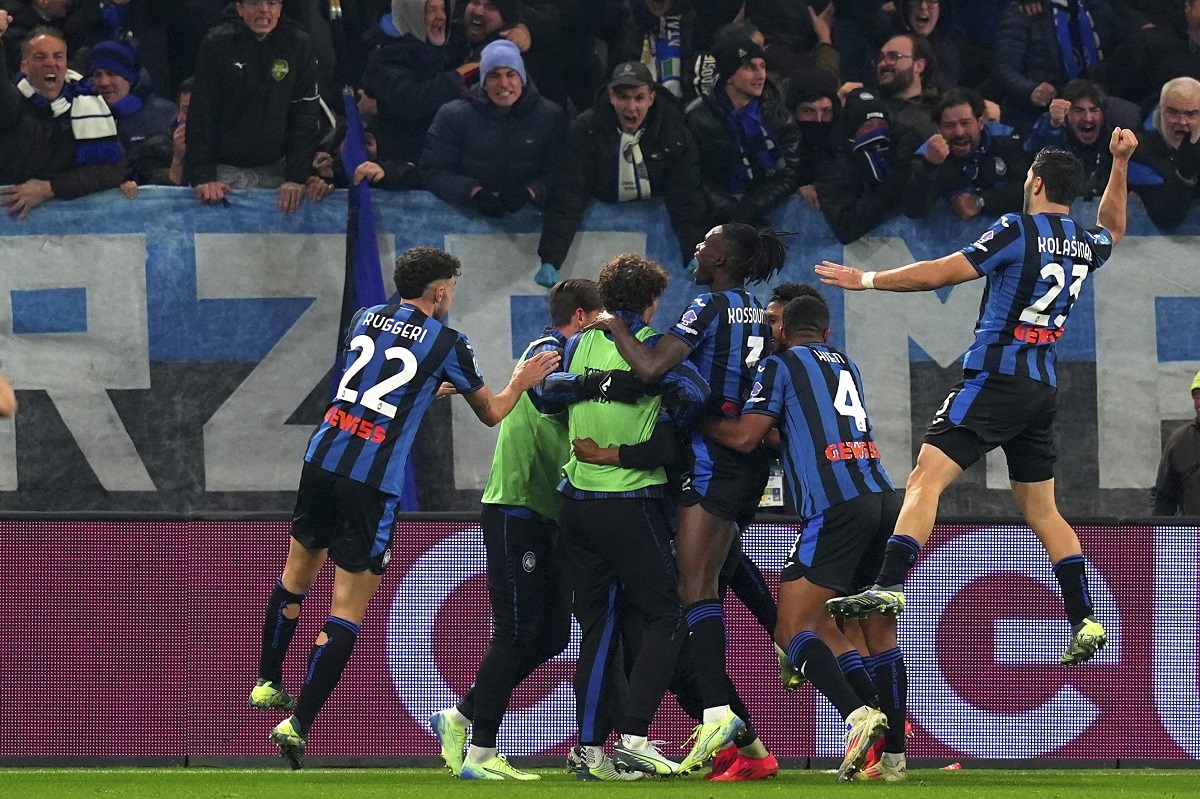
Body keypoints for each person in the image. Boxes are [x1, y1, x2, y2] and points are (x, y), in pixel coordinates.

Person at [814, 131, 1139, 669]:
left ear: (1033, 181)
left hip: (995, 379)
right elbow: (1115, 228)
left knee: (926, 477)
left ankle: (890, 585)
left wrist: (866, 279)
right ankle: (1083, 617)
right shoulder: (1084, 242)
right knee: (1042, 508)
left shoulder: (1016, 229)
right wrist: (1121, 162)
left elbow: (942, 273)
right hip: (1041, 389)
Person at [248, 246, 561, 770]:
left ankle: (266, 680)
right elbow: (492, 413)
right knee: (347, 607)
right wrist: (520, 382)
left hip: (322, 456)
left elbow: (377, 376)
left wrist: (423, 389)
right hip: (370, 481)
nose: (452, 298)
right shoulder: (448, 342)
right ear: (439, 292)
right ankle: (298, 722)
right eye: (452, 290)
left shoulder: (366, 317)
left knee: (295, 576)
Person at [427, 278, 649, 781]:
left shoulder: (562, 352)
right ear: (582, 317)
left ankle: (461, 715)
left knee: (549, 635)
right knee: (515, 629)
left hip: (547, 510)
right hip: (516, 505)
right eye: (601, 322)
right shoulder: (550, 351)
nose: (608, 333)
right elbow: (550, 394)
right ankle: (481, 753)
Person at [589, 223, 786, 774]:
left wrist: (613, 326)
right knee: (711, 579)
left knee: (691, 588)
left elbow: (653, 366)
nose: (696, 250)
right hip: (745, 467)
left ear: (721, 256)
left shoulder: (711, 304)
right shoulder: (753, 310)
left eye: (704, 244)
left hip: (711, 460)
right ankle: (776, 652)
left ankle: (720, 713)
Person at [701, 295, 902, 782]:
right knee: (852, 626)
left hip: (835, 505)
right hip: (881, 498)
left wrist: (696, 416)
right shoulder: (844, 364)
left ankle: (857, 717)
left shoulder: (780, 364)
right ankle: (890, 757)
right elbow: (795, 429)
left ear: (784, 331)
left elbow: (747, 437)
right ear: (826, 333)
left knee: (791, 630)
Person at [556, 254, 685, 778]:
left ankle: (588, 749)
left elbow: (549, 394)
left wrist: (596, 385)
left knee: (599, 624)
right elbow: (690, 401)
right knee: (667, 614)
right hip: (627, 501)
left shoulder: (579, 342)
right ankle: (633, 735)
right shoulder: (655, 346)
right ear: (652, 301)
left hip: (576, 502)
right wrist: (637, 388)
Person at [534, 61, 706, 288]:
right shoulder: (586, 130)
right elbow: (569, 194)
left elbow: (686, 194)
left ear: (652, 98)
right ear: (611, 96)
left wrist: (695, 250)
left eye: (639, 98)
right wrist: (551, 259)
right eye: (623, 97)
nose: (631, 107)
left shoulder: (674, 132)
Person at [185, 0, 330, 214]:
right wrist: (203, 176)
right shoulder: (216, 43)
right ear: (240, 8)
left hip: (278, 173)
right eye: (255, 3)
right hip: (222, 175)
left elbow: (305, 115)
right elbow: (201, 113)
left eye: (272, 3)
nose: (264, 9)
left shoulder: (299, 44)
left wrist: (296, 177)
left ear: (280, 8)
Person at [419, 38, 565, 218]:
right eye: (494, 75)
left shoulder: (551, 117)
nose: (503, 84)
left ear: (522, 80)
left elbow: (562, 171)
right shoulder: (453, 116)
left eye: (511, 74)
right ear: (483, 82)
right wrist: (473, 192)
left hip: (531, 229)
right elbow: (433, 170)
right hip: (466, 226)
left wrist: (532, 191)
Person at [0, 20, 125, 220]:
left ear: (66, 63)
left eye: (58, 56)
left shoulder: (88, 105)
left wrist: (49, 188)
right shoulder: (11, 104)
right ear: (24, 66)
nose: (50, 63)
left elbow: (112, 170)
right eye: (39, 57)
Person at [686, 38, 801, 227]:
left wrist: (750, 208)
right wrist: (728, 209)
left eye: (762, 66)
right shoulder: (697, 116)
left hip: (762, 216)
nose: (760, 75)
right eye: (750, 68)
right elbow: (691, 173)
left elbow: (788, 174)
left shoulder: (779, 116)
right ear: (729, 75)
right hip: (709, 219)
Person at [359, 0, 467, 183]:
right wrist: (458, 76)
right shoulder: (386, 56)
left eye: (443, 8)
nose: (441, 16)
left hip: (440, 167)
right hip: (398, 171)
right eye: (431, 9)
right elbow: (410, 103)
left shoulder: (453, 49)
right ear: (411, 14)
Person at [902, 88, 1030, 221]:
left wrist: (981, 201)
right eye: (949, 126)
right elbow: (913, 212)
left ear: (980, 123)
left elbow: (1029, 191)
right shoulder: (928, 155)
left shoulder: (1005, 137)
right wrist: (929, 167)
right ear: (939, 129)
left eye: (965, 123)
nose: (959, 132)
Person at [816, 88, 909, 244]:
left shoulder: (900, 153)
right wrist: (893, 187)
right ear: (854, 130)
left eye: (881, 124)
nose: (877, 131)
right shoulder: (835, 163)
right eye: (869, 125)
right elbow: (846, 225)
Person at [1023, 79, 1140, 200]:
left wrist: (1133, 191)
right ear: (1066, 114)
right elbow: (1030, 153)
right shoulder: (1056, 135)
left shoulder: (1117, 141)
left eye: (1094, 110)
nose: (1088, 118)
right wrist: (1053, 125)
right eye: (1078, 111)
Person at [86, 39, 176, 195]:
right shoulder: (81, 116)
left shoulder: (165, 116)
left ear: (131, 77)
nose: (104, 82)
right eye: (97, 74)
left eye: (112, 73)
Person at [1128, 77, 1200, 231]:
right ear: (1159, 113)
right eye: (1173, 112)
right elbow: (1166, 218)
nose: (1182, 122)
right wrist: (1185, 175)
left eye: (1191, 114)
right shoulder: (1135, 152)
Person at [1152, 369, 1200, 516]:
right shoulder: (1179, 441)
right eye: (1197, 395)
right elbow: (1163, 499)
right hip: (1195, 537)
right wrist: (1155, 535)